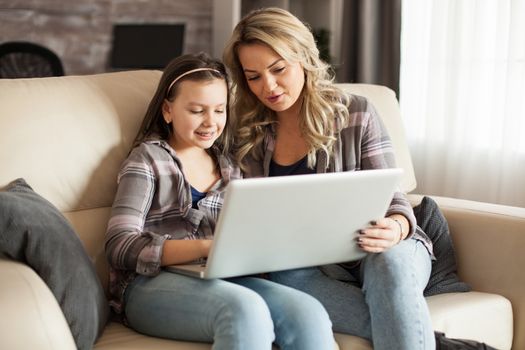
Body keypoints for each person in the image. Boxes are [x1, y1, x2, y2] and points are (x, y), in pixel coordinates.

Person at [223, 7, 435, 350]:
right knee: (283, 278)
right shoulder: (246, 132)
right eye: (254, 76)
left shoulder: (357, 112)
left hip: (379, 246)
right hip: (305, 264)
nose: (269, 86)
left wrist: (396, 226)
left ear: (304, 58)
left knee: (389, 262)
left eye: (279, 69)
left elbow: (393, 196)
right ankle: (427, 336)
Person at [104, 52, 335, 350]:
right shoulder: (147, 160)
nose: (210, 122)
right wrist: (205, 247)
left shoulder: (231, 167)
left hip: (221, 279)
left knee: (308, 312)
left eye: (219, 110)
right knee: (244, 311)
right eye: (197, 110)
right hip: (148, 285)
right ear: (168, 110)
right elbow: (118, 245)